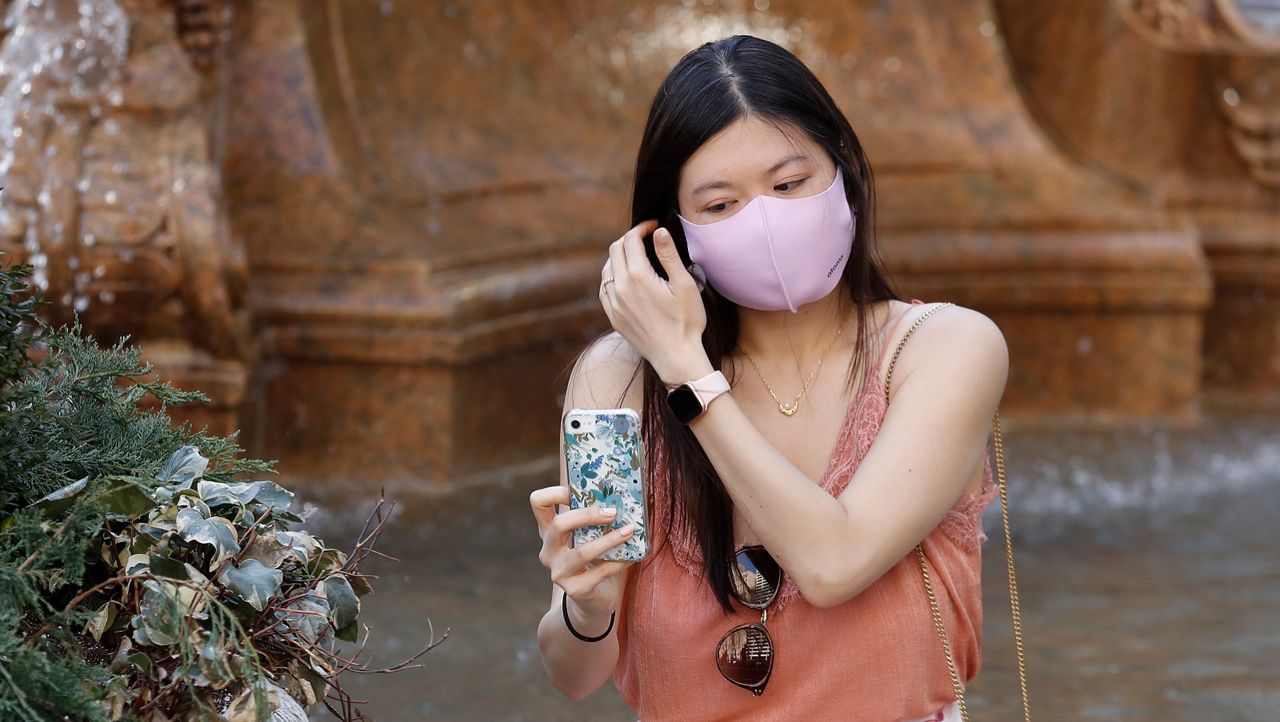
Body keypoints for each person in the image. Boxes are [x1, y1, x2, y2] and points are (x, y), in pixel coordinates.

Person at [529, 34, 1007, 722]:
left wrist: (687, 373)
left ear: (844, 169)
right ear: (671, 232)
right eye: (720, 205)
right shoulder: (617, 380)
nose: (767, 221)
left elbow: (835, 562)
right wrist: (588, 606)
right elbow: (574, 676)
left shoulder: (943, 349)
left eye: (788, 185)